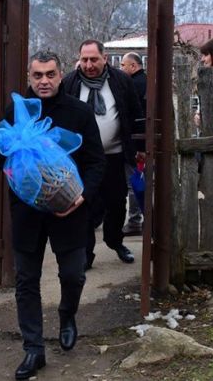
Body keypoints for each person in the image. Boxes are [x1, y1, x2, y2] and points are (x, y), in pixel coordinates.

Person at [0, 51, 106, 380]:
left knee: (74, 275)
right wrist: (14, 152)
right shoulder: (16, 110)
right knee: (27, 281)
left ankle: (67, 314)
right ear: (29, 77)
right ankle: (33, 350)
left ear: (60, 76)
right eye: (38, 75)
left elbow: (96, 161)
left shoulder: (79, 112)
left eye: (50, 74)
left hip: (69, 210)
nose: (44, 81)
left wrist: (82, 196)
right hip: (27, 212)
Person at [62, 40, 144, 269]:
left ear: (105, 58)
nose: (89, 65)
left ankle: (115, 241)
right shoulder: (69, 82)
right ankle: (86, 254)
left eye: (94, 59)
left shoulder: (121, 81)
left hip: (114, 155)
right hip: (82, 160)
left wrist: (140, 148)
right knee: (85, 206)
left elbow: (136, 113)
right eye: (85, 59)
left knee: (116, 204)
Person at [119, 52, 147, 235]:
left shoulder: (134, 85)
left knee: (134, 183)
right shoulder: (146, 81)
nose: (121, 69)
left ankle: (135, 220)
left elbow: (134, 116)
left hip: (136, 142)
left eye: (123, 65)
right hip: (141, 141)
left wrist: (139, 147)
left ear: (133, 66)